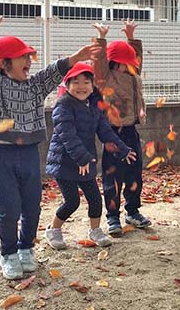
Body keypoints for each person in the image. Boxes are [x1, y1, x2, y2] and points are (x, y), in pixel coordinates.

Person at [0, 3, 100, 280]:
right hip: (3, 154)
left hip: (30, 152)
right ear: (4, 63)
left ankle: (25, 249)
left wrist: (76, 57)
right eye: (22, 57)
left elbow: (54, 71)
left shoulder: (35, 86)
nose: (29, 61)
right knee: (9, 208)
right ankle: (8, 254)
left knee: (32, 205)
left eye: (29, 56)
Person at [44, 62, 137, 249]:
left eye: (86, 82)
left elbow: (105, 131)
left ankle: (95, 230)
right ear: (67, 85)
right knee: (72, 202)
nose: (81, 87)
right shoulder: (63, 106)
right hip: (64, 162)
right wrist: (82, 158)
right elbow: (67, 135)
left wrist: (122, 149)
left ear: (92, 84)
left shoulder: (95, 105)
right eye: (75, 82)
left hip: (86, 160)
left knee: (95, 199)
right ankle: (53, 230)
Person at [92, 21, 150, 236]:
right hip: (112, 132)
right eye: (124, 64)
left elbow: (137, 58)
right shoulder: (105, 78)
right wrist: (101, 39)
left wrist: (131, 38)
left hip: (131, 130)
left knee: (134, 173)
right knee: (113, 175)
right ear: (113, 63)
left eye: (130, 64)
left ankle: (133, 211)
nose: (129, 67)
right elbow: (98, 62)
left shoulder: (133, 75)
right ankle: (113, 216)